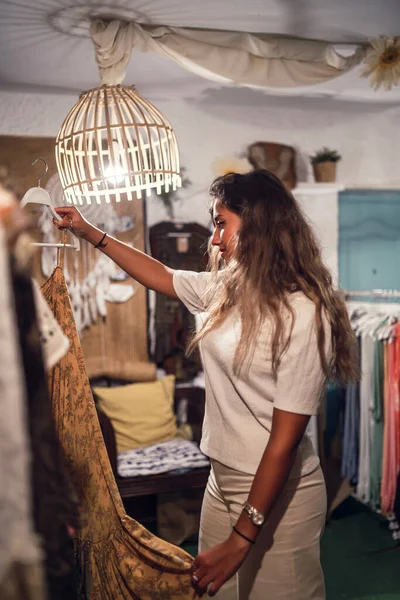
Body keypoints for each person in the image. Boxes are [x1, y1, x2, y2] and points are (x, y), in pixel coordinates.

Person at [53, 169, 359, 600]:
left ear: (259, 225)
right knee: (214, 593)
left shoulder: (303, 313)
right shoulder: (228, 288)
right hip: (221, 480)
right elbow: (160, 274)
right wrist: (89, 232)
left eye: (221, 223)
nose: (214, 239)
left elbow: (284, 443)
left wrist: (242, 537)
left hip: (279, 494)